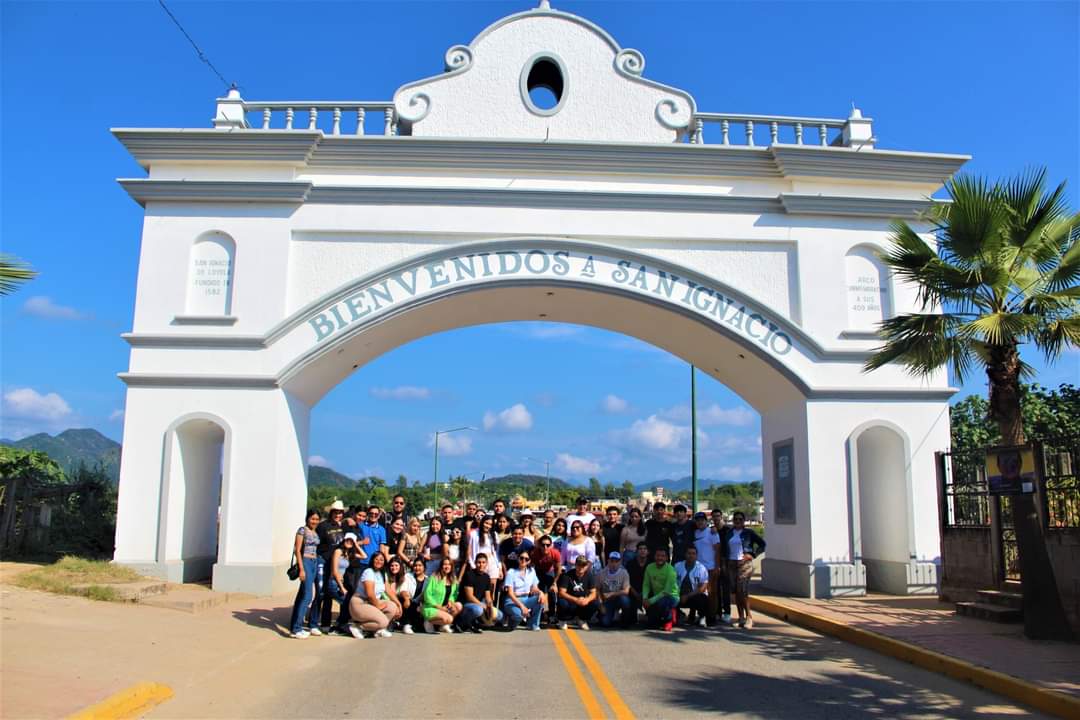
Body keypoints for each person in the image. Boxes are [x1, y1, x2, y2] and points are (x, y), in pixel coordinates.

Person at [720, 511, 766, 629]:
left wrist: (752, 554)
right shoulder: (729, 533)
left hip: (744, 564)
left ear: (744, 521)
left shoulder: (748, 533)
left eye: (740, 519)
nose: (738, 521)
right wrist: (724, 564)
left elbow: (762, 544)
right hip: (731, 564)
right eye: (736, 519)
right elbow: (724, 550)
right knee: (735, 592)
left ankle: (749, 617)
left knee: (742, 590)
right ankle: (741, 618)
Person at [346, 550, 400, 638]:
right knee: (383, 622)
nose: (379, 561)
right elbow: (370, 594)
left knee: (392, 607)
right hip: (360, 603)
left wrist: (398, 604)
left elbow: (388, 591)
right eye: (376, 559)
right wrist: (377, 605)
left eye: (381, 560)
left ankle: (378, 630)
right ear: (372, 560)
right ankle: (358, 627)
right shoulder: (369, 572)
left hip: (372, 603)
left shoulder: (382, 573)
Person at [289, 508, 322, 638]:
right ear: (307, 518)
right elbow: (297, 550)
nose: (314, 521)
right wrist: (302, 568)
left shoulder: (315, 531)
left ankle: (294, 625)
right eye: (312, 518)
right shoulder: (302, 530)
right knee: (308, 596)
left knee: (302, 594)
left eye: (317, 519)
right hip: (306, 561)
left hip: (315, 561)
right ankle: (297, 628)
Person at [315, 501, 346, 630]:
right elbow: (316, 544)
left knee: (334, 592)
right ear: (331, 512)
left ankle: (339, 621)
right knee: (322, 593)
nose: (338, 515)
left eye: (340, 512)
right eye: (335, 512)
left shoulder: (344, 526)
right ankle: (320, 622)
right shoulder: (323, 526)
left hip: (338, 564)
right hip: (324, 561)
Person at [329, 533, 367, 635]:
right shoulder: (338, 551)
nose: (349, 542)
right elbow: (334, 571)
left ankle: (339, 625)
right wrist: (341, 587)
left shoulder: (348, 554)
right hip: (334, 583)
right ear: (344, 540)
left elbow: (364, 556)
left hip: (340, 583)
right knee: (347, 603)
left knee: (347, 604)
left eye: (352, 541)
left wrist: (357, 545)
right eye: (348, 540)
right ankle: (338, 626)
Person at [459, 553, 503, 633]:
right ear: (475, 563)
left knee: (499, 615)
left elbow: (487, 596)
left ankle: (478, 622)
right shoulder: (469, 575)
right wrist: (482, 605)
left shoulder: (486, 577)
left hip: (478, 604)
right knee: (478, 610)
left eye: (483, 562)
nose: (481, 565)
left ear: (487, 564)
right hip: (466, 604)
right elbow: (469, 597)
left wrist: (489, 605)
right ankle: (463, 623)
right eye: (479, 562)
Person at [503, 550, 545, 631]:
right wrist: (522, 607)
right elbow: (510, 593)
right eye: (521, 558)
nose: (523, 560)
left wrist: (541, 592)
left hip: (526, 599)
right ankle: (511, 622)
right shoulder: (511, 572)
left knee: (540, 599)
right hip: (512, 601)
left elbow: (534, 588)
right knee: (518, 616)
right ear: (518, 559)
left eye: (526, 559)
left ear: (529, 561)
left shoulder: (531, 571)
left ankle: (533, 624)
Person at [692, 511, 723, 624]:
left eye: (702, 520)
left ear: (706, 521)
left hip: (710, 567)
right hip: (698, 568)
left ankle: (712, 617)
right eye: (697, 520)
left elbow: (717, 550)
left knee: (712, 593)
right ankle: (702, 616)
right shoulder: (695, 533)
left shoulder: (712, 532)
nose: (699, 522)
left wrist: (717, 566)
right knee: (700, 593)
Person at [556, 556, 600, 630]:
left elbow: (593, 593)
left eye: (583, 565)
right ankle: (563, 620)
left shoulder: (590, 576)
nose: (581, 567)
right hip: (570, 601)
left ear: (586, 566)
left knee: (595, 603)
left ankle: (581, 620)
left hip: (582, 601)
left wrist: (587, 600)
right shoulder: (567, 575)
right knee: (562, 602)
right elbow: (561, 592)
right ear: (575, 565)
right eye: (579, 565)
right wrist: (576, 599)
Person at [420, 556, 462, 633]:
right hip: (431, 607)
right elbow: (427, 595)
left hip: (445, 606)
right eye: (445, 564)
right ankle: (428, 622)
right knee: (449, 619)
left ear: (452, 567)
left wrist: (450, 601)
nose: (447, 566)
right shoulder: (434, 577)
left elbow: (454, 594)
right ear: (441, 566)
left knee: (458, 606)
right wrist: (439, 607)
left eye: (449, 564)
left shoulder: (453, 579)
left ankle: (443, 626)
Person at [642, 547, 679, 631]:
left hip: (671, 597)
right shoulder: (649, 567)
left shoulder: (671, 570)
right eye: (658, 555)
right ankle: (659, 618)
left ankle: (669, 620)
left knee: (663, 601)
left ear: (666, 558)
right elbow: (646, 585)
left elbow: (666, 591)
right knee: (652, 624)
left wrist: (650, 601)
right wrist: (645, 598)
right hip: (657, 596)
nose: (660, 558)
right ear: (654, 556)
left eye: (663, 556)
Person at [675, 545, 712, 627]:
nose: (691, 555)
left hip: (693, 595)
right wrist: (677, 594)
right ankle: (677, 615)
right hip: (679, 594)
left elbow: (702, 588)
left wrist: (687, 596)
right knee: (670, 597)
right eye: (689, 553)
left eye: (693, 553)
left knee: (702, 597)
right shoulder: (677, 566)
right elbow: (672, 583)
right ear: (685, 554)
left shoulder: (701, 568)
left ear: (696, 555)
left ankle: (702, 617)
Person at [531, 534, 563, 624]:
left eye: (548, 545)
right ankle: (538, 613)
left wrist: (554, 583)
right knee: (538, 592)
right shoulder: (535, 553)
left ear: (551, 545)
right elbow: (531, 568)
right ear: (539, 545)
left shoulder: (555, 553)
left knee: (552, 592)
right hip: (538, 571)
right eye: (543, 545)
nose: (545, 547)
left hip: (551, 572)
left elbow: (558, 569)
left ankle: (552, 614)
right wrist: (533, 582)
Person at [597, 551, 632, 628]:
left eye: (616, 561)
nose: (614, 564)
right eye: (612, 561)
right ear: (608, 561)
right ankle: (606, 615)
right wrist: (601, 605)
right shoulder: (601, 573)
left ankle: (625, 621)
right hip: (607, 601)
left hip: (619, 598)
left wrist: (611, 594)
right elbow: (597, 590)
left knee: (625, 600)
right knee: (605, 623)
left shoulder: (624, 573)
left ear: (620, 562)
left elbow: (626, 591)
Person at [467, 515, 502, 587]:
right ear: (482, 522)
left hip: (492, 562)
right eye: (486, 523)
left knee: (492, 586)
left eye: (490, 524)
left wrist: (499, 567)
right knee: (480, 587)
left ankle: (491, 599)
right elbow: (469, 551)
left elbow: (497, 553)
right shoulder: (474, 533)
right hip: (480, 563)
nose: (488, 526)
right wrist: (472, 564)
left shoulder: (494, 534)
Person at [712, 509, 732, 624]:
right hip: (716, 561)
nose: (716, 518)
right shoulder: (712, 531)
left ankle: (727, 612)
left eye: (718, 516)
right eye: (714, 516)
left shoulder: (728, 530)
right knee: (716, 588)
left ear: (721, 516)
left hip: (727, 561)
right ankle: (717, 612)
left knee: (725, 589)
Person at [387, 556, 416, 634]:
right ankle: (392, 622)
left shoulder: (404, 577)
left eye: (396, 565)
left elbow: (404, 591)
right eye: (392, 566)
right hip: (388, 599)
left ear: (400, 566)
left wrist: (406, 599)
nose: (394, 567)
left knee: (408, 601)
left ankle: (406, 624)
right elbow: (390, 593)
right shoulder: (387, 576)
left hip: (398, 599)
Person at [402, 557, 428, 633]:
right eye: (415, 566)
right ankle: (407, 624)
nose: (417, 568)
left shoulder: (428, 580)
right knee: (409, 602)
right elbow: (403, 590)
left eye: (420, 566)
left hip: (420, 605)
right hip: (409, 603)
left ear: (424, 567)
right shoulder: (408, 576)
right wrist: (406, 599)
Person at [359, 505, 389, 569]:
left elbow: (382, 548)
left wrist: (381, 562)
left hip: (374, 563)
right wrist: (362, 542)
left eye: (376, 514)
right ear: (368, 514)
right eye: (371, 513)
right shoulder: (361, 526)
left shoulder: (381, 529)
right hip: (362, 562)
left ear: (379, 516)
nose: (373, 515)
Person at [626, 541, 650, 622]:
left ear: (648, 552)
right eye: (640, 549)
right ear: (636, 551)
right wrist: (635, 593)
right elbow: (626, 581)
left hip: (648, 593)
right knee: (630, 620)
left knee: (653, 620)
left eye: (645, 549)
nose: (642, 550)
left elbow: (653, 582)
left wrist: (644, 593)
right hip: (632, 592)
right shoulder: (630, 564)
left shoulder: (651, 565)